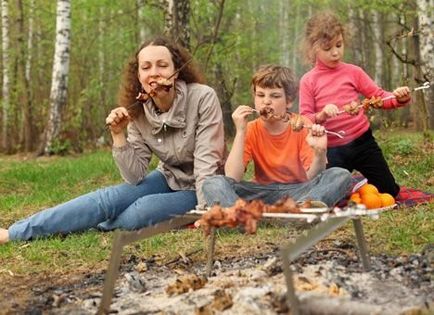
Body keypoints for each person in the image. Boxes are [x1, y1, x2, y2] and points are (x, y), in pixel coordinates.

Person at [0, 36, 225, 244]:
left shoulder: (203, 97)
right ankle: (16, 232)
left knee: (142, 210)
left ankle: (88, 224)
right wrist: (119, 135)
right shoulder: (139, 111)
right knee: (107, 199)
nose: (154, 73)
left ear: (176, 72)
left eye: (162, 65)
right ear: (139, 76)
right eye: (146, 67)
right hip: (167, 177)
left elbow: (207, 165)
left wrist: (207, 212)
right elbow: (134, 176)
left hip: (199, 188)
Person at [202, 64, 351, 209]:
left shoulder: (302, 124)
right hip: (260, 193)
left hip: (298, 192)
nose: (266, 101)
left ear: (289, 101)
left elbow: (312, 177)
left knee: (340, 174)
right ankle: (238, 214)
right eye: (260, 95)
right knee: (213, 182)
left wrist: (319, 152)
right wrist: (240, 132)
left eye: (275, 96)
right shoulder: (250, 128)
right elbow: (233, 177)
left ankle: (304, 209)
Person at [299, 11, 411, 197]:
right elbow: (305, 119)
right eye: (327, 48)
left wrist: (399, 98)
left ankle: (358, 185)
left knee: (390, 192)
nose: (335, 52)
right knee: (326, 196)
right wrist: (322, 115)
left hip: (363, 143)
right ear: (312, 49)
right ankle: (348, 185)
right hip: (332, 150)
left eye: (339, 45)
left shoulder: (353, 72)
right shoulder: (308, 81)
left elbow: (379, 97)